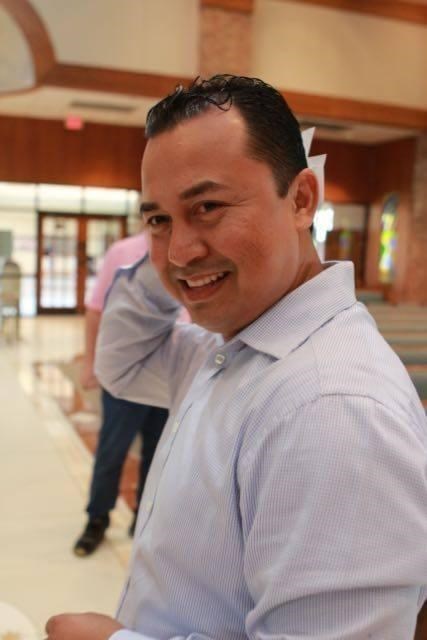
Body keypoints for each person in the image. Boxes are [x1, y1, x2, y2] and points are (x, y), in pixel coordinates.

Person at [46, 75, 427, 639]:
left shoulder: (332, 408)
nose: (179, 249)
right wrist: (178, 261)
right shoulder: (234, 346)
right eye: (158, 220)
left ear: (302, 199)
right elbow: (122, 364)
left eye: (208, 206)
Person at [73, 232, 168, 556]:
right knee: (112, 450)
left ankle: (143, 520)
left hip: (168, 377)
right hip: (125, 377)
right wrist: (90, 363)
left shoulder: (187, 248)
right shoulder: (124, 251)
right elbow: (96, 310)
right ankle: (97, 518)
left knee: (159, 455)